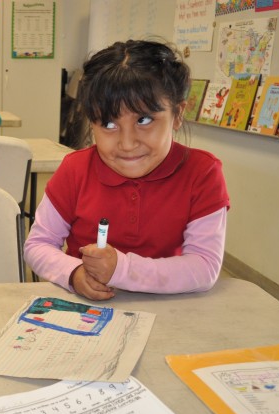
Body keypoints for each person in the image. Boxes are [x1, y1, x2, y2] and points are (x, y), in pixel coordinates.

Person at [24, 40, 230, 301]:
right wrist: (74, 273)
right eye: (108, 124)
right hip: (86, 310)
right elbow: (37, 244)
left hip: (172, 309)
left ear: (177, 114)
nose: (127, 143)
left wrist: (122, 269)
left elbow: (204, 267)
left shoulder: (203, 172)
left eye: (144, 120)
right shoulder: (75, 169)